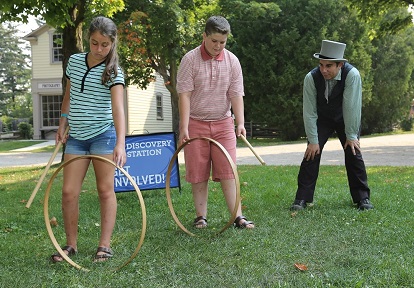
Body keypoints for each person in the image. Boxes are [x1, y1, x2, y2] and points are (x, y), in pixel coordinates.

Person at [51, 16, 126, 262]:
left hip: (103, 135)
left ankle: (104, 245)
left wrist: (120, 142)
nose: (98, 49)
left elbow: (118, 108)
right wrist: (62, 124)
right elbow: (68, 96)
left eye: (104, 45)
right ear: (88, 39)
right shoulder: (74, 61)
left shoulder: (114, 70)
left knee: (105, 190)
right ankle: (70, 245)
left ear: (112, 43)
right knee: (69, 192)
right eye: (94, 43)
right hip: (76, 136)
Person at [176, 16, 254, 229]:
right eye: (214, 41)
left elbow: (236, 94)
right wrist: (184, 127)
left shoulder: (232, 61)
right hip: (196, 123)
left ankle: (238, 216)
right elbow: (184, 95)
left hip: (223, 124)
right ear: (204, 36)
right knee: (198, 172)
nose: (218, 46)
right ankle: (201, 216)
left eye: (223, 42)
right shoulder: (189, 60)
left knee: (229, 171)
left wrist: (240, 122)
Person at [290, 40, 373, 211]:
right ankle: (302, 199)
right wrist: (313, 140)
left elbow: (351, 107)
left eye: (328, 66)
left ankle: (362, 198)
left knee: (353, 152)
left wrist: (351, 136)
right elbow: (309, 111)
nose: (323, 70)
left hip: (346, 117)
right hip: (322, 118)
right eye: (321, 65)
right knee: (311, 153)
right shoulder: (311, 78)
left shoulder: (352, 75)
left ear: (340, 65)